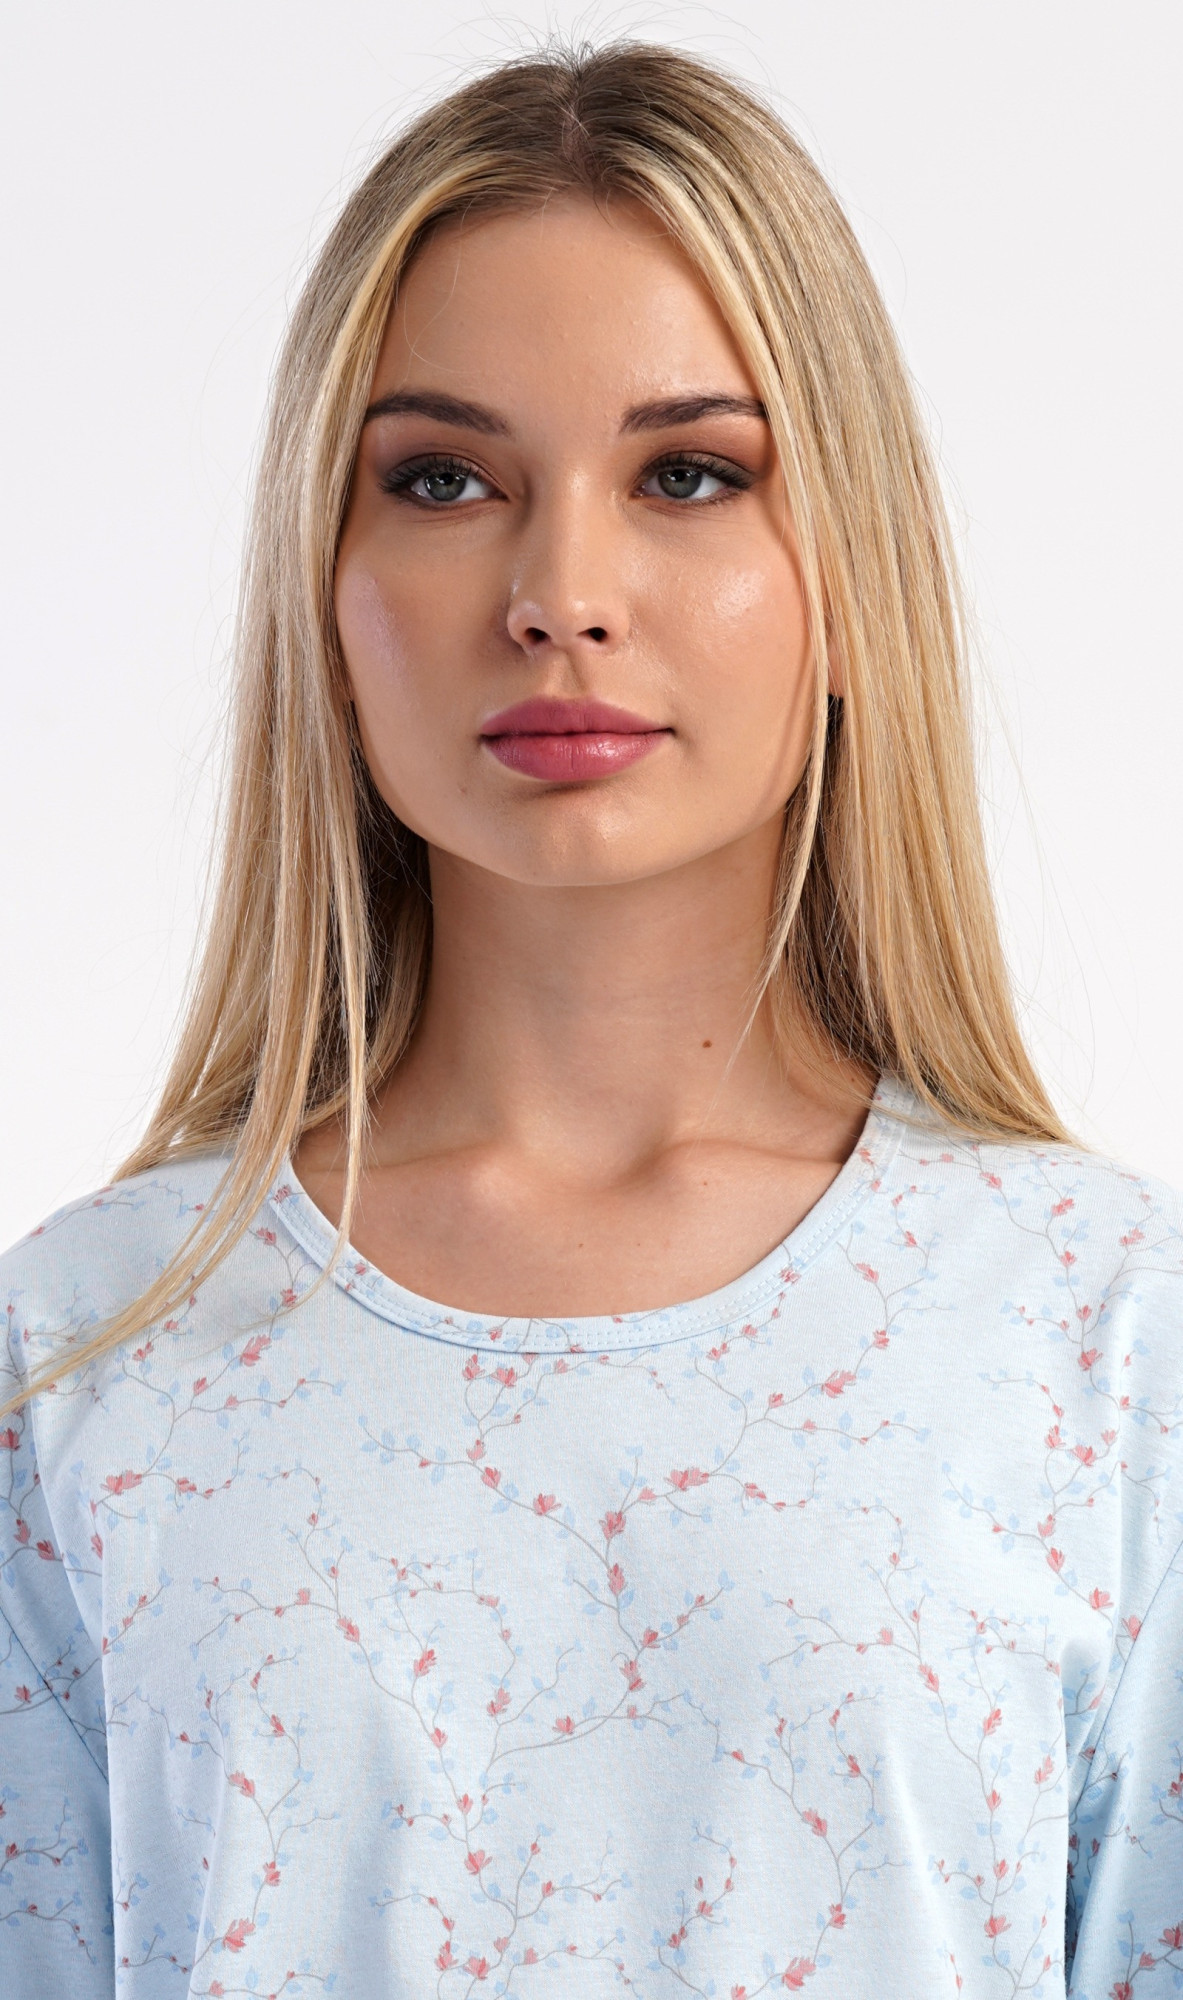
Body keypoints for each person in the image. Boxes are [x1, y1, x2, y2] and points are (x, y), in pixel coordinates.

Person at [1, 40, 1179, 2000]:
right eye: (443, 479)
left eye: (689, 474)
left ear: (850, 571)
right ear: (325, 584)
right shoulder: (83, 1359)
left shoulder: (1106, 1340)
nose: (561, 592)